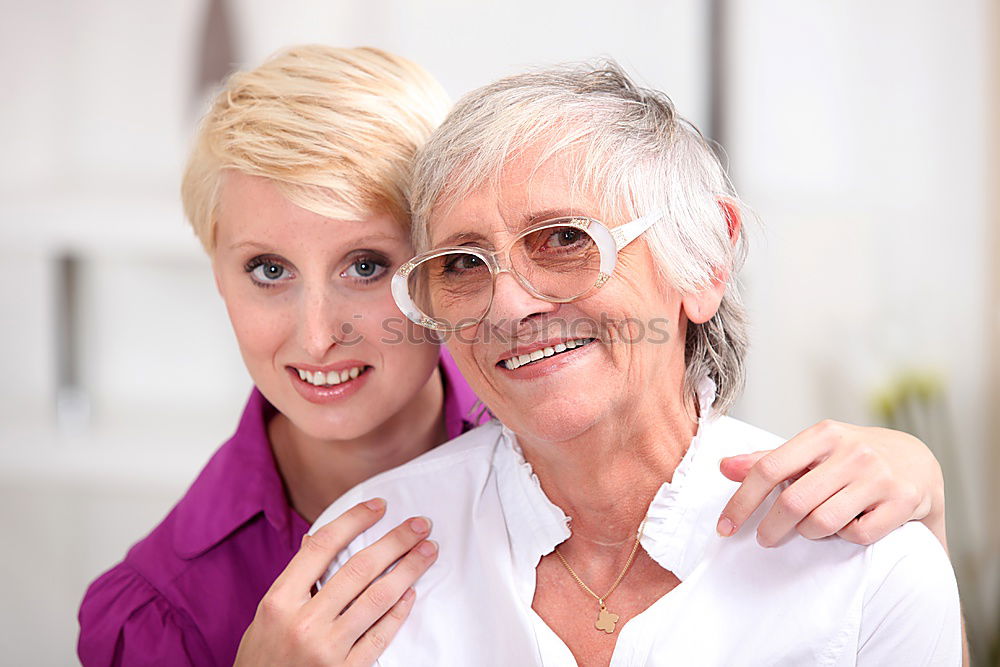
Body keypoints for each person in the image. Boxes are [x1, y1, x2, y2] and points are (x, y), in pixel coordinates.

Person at [78, 46, 951, 666]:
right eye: (268, 269)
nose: (316, 335)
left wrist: (918, 494)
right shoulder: (161, 605)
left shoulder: (850, 560)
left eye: (370, 265)